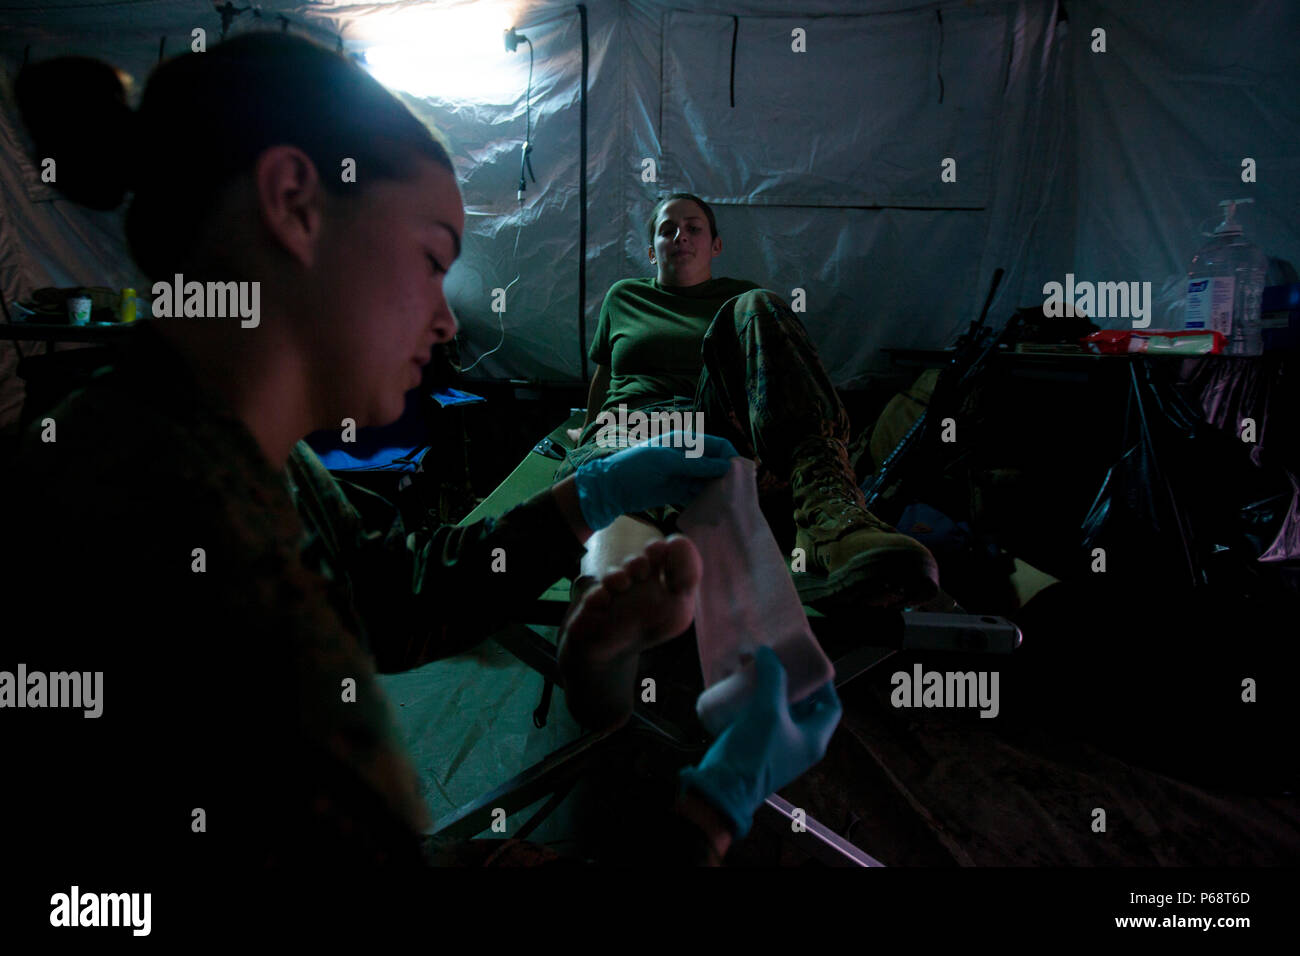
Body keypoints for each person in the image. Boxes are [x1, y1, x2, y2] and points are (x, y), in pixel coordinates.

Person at [1, 33, 837, 873]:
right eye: (433, 258)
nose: (444, 321)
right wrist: (709, 814)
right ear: (294, 204)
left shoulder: (230, 448)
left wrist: (587, 497)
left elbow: (388, 592)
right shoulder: (167, 526)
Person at [556, 193, 941, 617]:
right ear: (652, 251)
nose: (680, 235)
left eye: (694, 227)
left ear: (715, 246)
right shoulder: (623, 297)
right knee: (614, 589)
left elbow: (766, 384)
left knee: (759, 305)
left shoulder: (741, 300)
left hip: (711, 427)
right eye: (667, 229)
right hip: (633, 427)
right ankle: (617, 598)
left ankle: (829, 515)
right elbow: (605, 377)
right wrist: (588, 432)